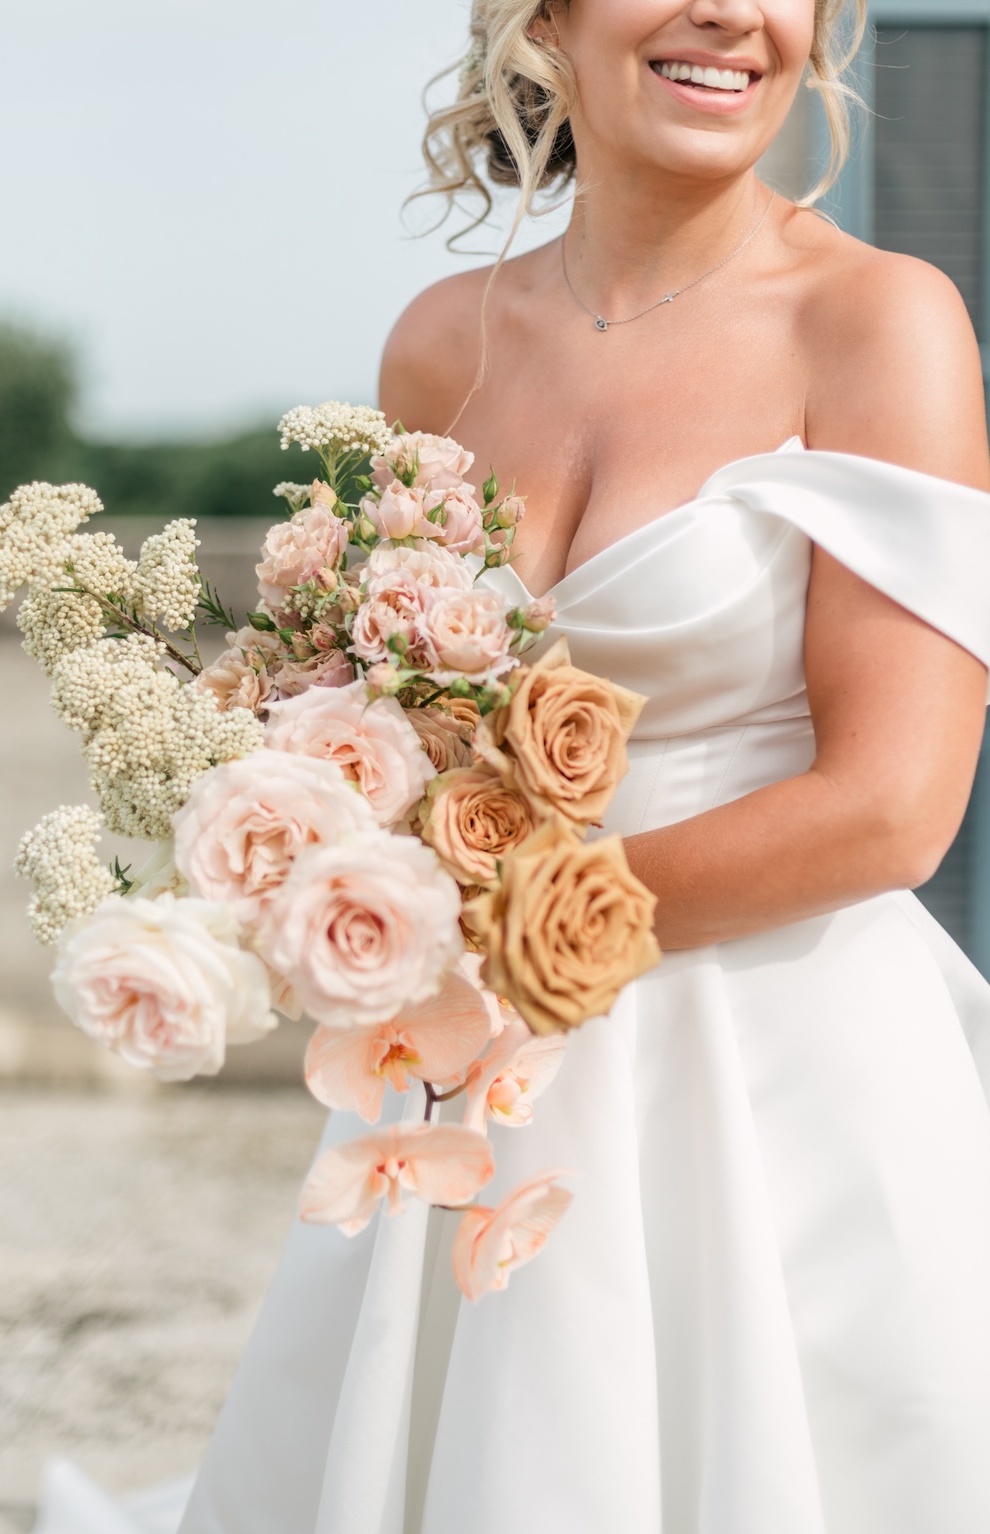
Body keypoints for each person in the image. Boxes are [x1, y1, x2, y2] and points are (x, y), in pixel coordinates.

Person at [175, 2, 990, 1531]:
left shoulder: (880, 324)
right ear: (547, 15)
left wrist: (489, 922)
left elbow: (895, 807)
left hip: (778, 1081)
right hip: (477, 1093)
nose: (731, 13)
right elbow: (399, 724)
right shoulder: (440, 343)